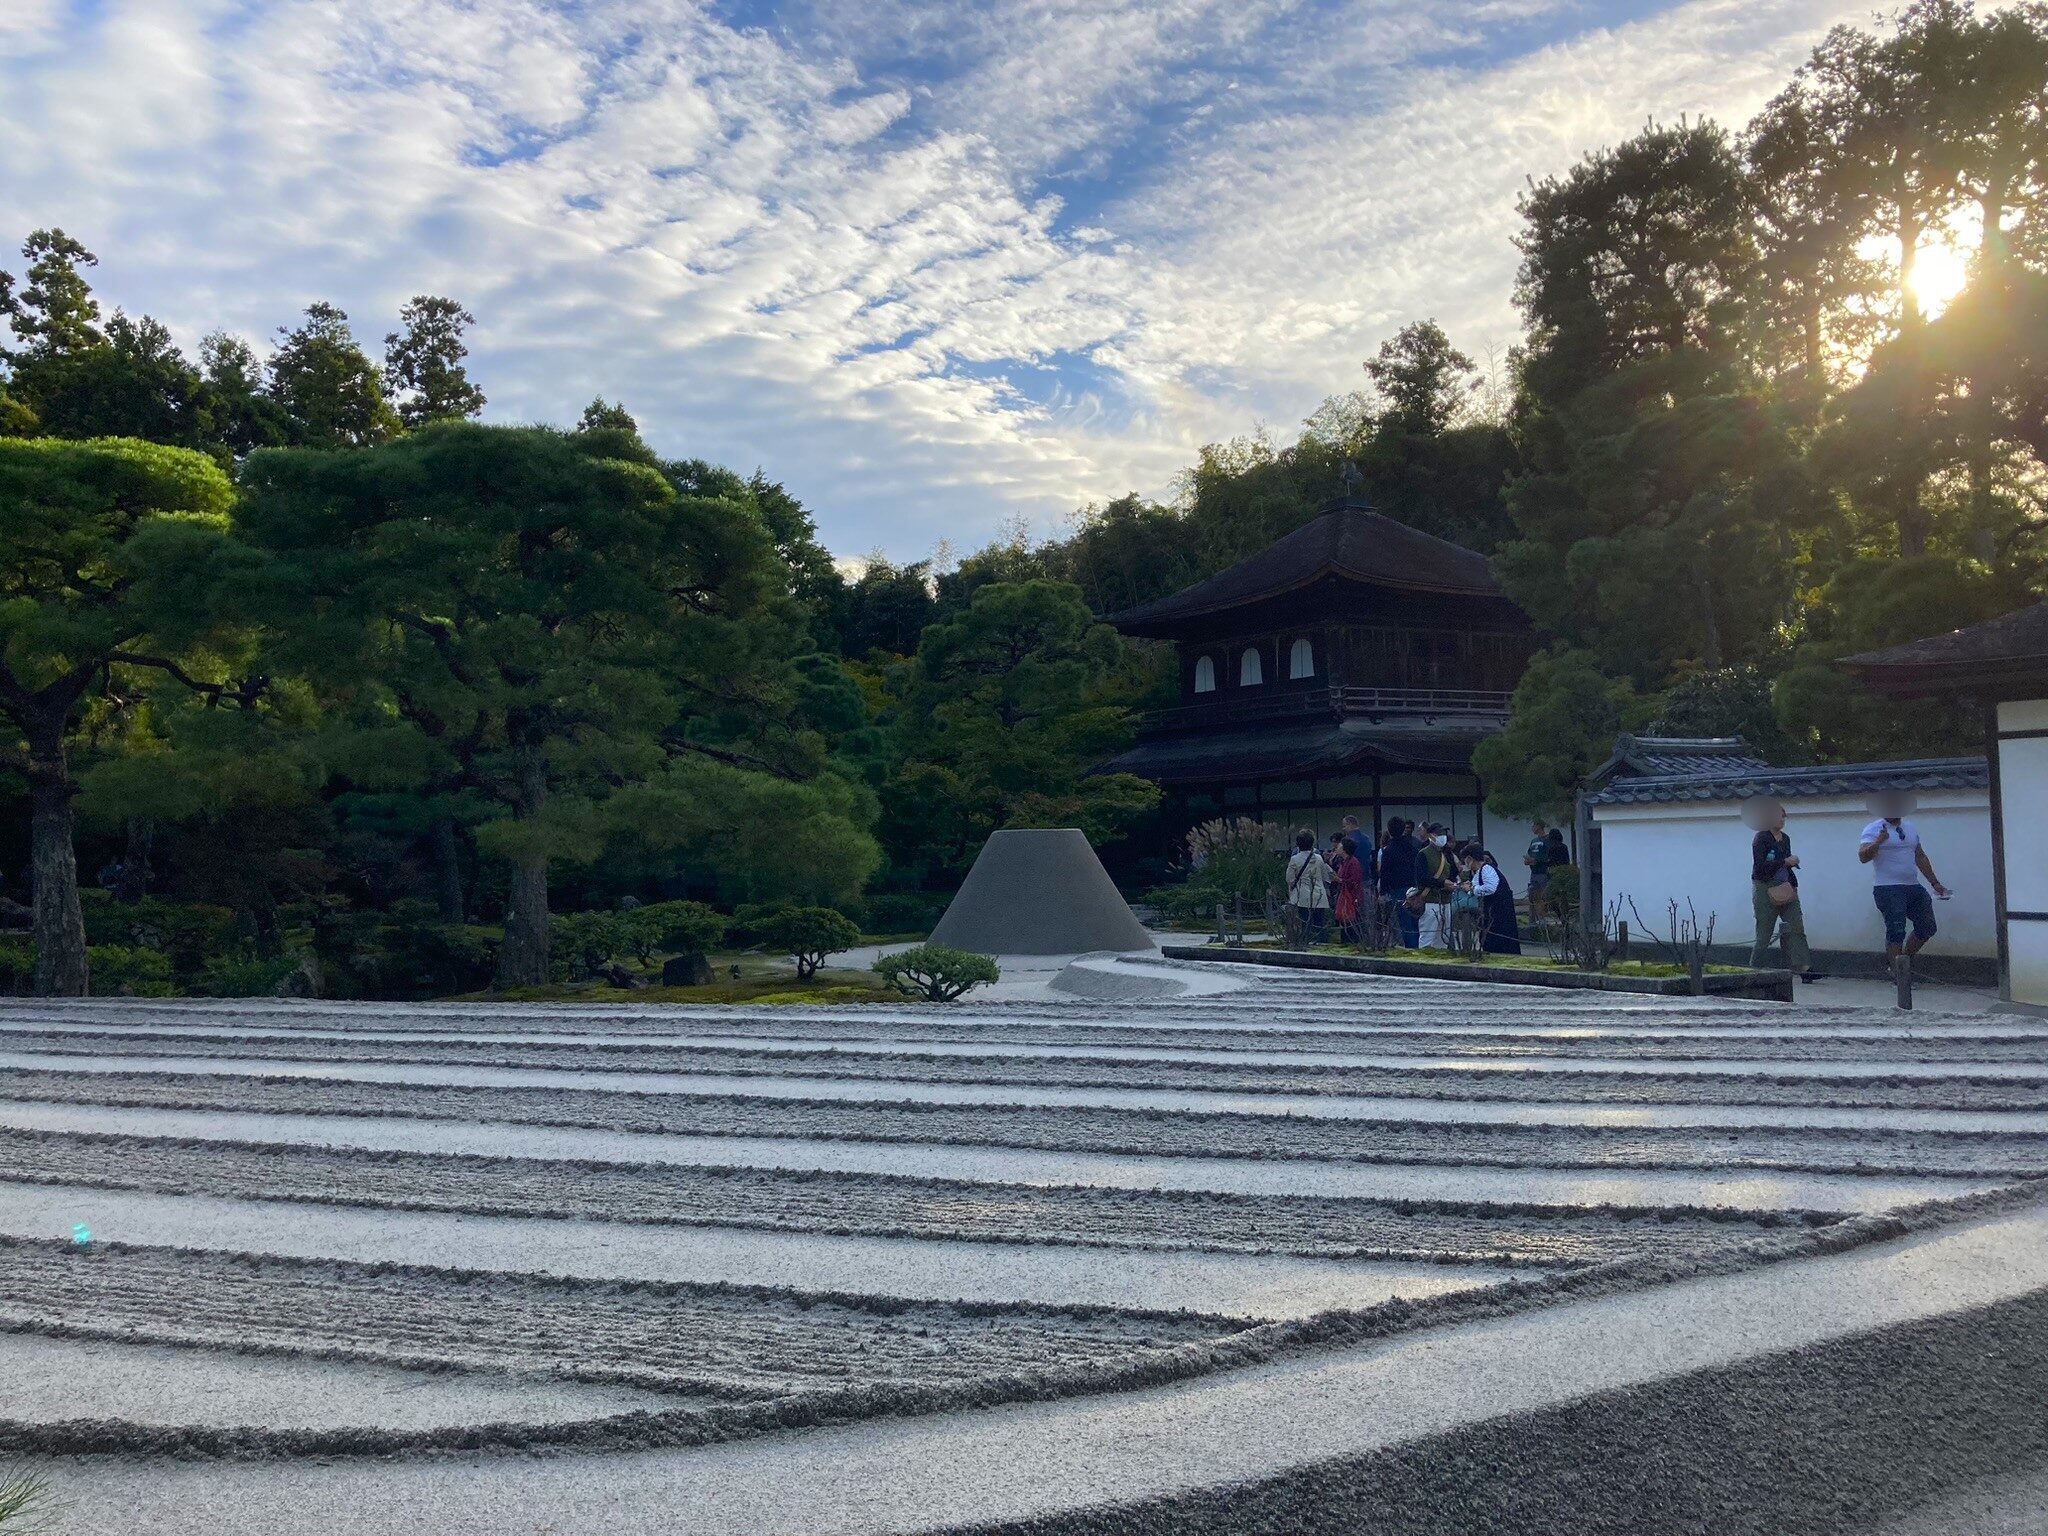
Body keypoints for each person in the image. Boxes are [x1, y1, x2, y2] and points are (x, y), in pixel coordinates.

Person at [1859, 809, 1951, 966]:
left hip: (1913, 886)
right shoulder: (1873, 828)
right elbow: (1863, 856)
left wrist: (1935, 882)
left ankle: (1903, 964)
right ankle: (1898, 976)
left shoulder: (1910, 827)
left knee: (1927, 927)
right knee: (1896, 931)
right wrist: (1879, 841)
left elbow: (1920, 856)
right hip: (1888, 888)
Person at [1749, 805, 1820, 983]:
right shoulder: (1761, 838)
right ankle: (1754, 968)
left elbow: (1785, 864)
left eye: (1783, 817)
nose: (1782, 820)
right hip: (1765, 888)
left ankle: (1804, 968)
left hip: (1785, 886)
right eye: (1779, 816)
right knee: (1764, 931)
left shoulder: (1785, 838)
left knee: (1796, 926)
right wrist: (1784, 862)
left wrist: (1792, 875)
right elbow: (1760, 867)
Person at [1457, 846, 1522, 954]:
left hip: (1499, 909)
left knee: (1499, 935)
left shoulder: (1487, 869)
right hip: (1493, 909)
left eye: (1465, 860)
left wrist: (1472, 889)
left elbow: (1491, 888)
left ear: (1469, 858)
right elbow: (1476, 884)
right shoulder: (1480, 871)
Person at [1377, 817, 1420, 948]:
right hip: (1414, 888)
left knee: (1404, 923)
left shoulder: (1388, 850)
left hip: (1397, 889)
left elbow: (1384, 872)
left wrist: (1383, 892)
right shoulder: (1413, 847)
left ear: (1389, 831)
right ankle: (1417, 946)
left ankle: (1411, 948)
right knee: (1415, 922)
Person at [1285, 828, 1333, 945]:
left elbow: (1289, 879)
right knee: (1320, 922)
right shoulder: (1319, 858)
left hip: (1303, 894)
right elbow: (1325, 876)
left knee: (1305, 921)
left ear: (1298, 844)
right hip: (1319, 893)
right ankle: (1323, 942)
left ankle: (1305, 942)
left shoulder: (1295, 859)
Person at [1414, 822, 1456, 949]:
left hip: (1446, 901)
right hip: (1430, 901)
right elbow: (1421, 878)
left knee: (1443, 939)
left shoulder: (1446, 854)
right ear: (1431, 836)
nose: (1442, 837)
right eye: (1439, 834)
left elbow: (1453, 873)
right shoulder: (1423, 854)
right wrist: (1442, 883)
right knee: (1427, 938)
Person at [1329, 834, 1366, 942]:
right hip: (1345, 895)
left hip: (1351, 898)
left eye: (1340, 846)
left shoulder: (1353, 862)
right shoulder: (1344, 861)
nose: (1337, 847)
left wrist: (1340, 880)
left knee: (1351, 926)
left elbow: (1354, 881)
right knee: (1346, 925)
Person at [1523, 819, 1552, 921]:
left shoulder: (1547, 839)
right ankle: (1534, 919)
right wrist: (1528, 860)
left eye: (1534, 825)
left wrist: (1537, 860)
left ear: (1539, 826)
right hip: (1534, 872)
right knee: (1533, 896)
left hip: (1544, 872)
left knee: (1543, 896)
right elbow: (1529, 853)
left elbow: (1549, 856)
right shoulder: (1533, 841)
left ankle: (1544, 918)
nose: (1532, 828)